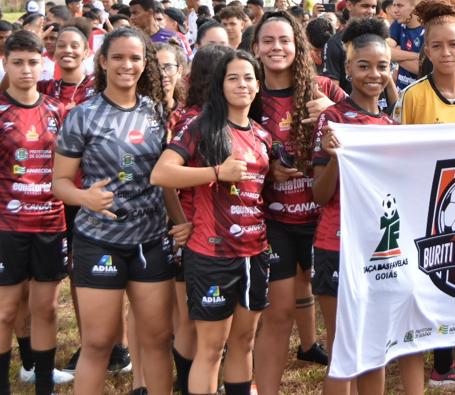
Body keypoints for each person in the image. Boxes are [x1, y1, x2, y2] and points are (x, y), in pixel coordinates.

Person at [52, 28, 177, 394]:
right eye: (118, 57)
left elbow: (165, 177)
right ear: (103, 62)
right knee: (98, 344)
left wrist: (179, 223)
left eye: (135, 58)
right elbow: (58, 182)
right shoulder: (82, 116)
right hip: (99, 241)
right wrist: (83, 198)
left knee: (156, 340)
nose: (127, 65)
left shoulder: (157, 113)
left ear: (145, 63)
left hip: (151, 241)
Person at [152, 50, 270, 395]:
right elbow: (161, 173)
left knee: (244, 341)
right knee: (212, 347)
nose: (242, 84)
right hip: (211, 254)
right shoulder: (201, 126)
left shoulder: (263, 134)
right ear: (220, 85)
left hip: (255, 252)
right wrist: (217, 172)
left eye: (249, 77)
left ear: (258, 85)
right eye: (233, 78)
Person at [392, 0, 455, 393]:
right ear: (424, 51)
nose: (445, 52)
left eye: (453, 44)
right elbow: (398, 157)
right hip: (422, 218)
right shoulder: (413, 97)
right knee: (417, 314)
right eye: (436, 45)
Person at [250, 11, 344, 394]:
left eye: (285, 40)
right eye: (268, 41)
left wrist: (334, 118)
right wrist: (266, 168)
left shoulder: (326, 90)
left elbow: (372, 128)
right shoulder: (247, 93)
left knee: (337, 319)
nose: (277, 48)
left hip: (325, 220)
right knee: (279, 314)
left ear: (298, 46)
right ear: (255, 48)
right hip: (274, 222)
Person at [311, 18, 394, 395]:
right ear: (348, 69)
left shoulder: (392, 125)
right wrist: (333, 158)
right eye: (364, 66)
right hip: (337, 246)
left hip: (380, 250)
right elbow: (319, 194)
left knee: (375, 350)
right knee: (345, 352)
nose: (373, 74)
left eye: (381, 66)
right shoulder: (333, 119)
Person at [0, 31, 75, 395]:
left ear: (43, 63)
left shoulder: (58, 111)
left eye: (32, 62)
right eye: (18, 63)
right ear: (5, 63)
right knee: (5, 311)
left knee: (45, 310)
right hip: (7, 225)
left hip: (50, 223)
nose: (26, 70)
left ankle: (43, 383)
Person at [322, 0, 379, 90]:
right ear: (349, 5)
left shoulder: (379, 37)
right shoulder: (335, 43)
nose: (370, 11)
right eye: (365, 6)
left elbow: (388, 80)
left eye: (373, 7)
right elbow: (333, 88)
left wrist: (395, 105)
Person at [38, 25, 96, 108]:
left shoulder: (98, 85)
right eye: (61, 46)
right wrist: (30, 45)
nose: (67, 50)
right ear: (55, 52)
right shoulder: (44, 88)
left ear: (86, 53)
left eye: (74, 46)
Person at [387, 0, 425, 90]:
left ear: (415, 7)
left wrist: (397, 55)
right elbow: (384, 50)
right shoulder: (398, 25)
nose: (395, 10)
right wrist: (417, 56)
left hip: (419, 95)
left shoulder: (429, 30)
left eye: (399, 6)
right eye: (394, 5)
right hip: (401, 93)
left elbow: (422, 69)